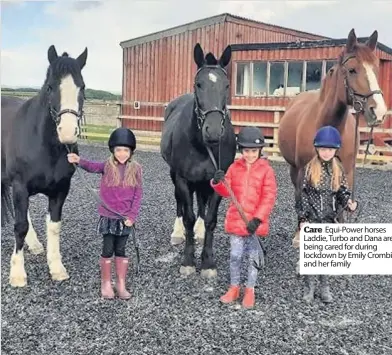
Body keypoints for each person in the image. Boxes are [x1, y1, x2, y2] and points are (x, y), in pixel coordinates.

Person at [67, 128, 143, 300]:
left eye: (125, 150)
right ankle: (106, 283)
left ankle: (120, 283)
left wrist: (132, 215)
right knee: (107, 248)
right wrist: (78, 160)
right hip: (108, 218)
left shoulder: (136, 169)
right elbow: (91, 166)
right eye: (118, 150)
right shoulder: (107, 166)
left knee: (121, 249)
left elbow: (138, 195)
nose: (122, 153)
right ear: (113, 151)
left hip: (125, 219)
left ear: (131, 152)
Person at [210, 126, 277, 309]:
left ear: (260, 151)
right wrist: (217, 182)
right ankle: (234, 287)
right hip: (237, 222)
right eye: (247, 151)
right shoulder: (234, 167)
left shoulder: (266, 171)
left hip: (253, 225)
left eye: (254, 151)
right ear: (242, 151)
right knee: (235, 256)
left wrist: (258, 218)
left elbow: (269, 196)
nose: (250, 155)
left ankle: (249, 290)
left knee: (252, 259)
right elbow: (226, 191)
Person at [295, 125, 358, 304]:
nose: (326, 153)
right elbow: (303, 195)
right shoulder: (309, 169)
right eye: (323, 149)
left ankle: (324, 287)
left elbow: (343, 192)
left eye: (330, 149)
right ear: (317, 149)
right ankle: (309, 287)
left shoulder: (338, 169)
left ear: (335, 150)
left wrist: (348, 203)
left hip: (329, 220)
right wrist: (303, 218)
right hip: (312, 220)